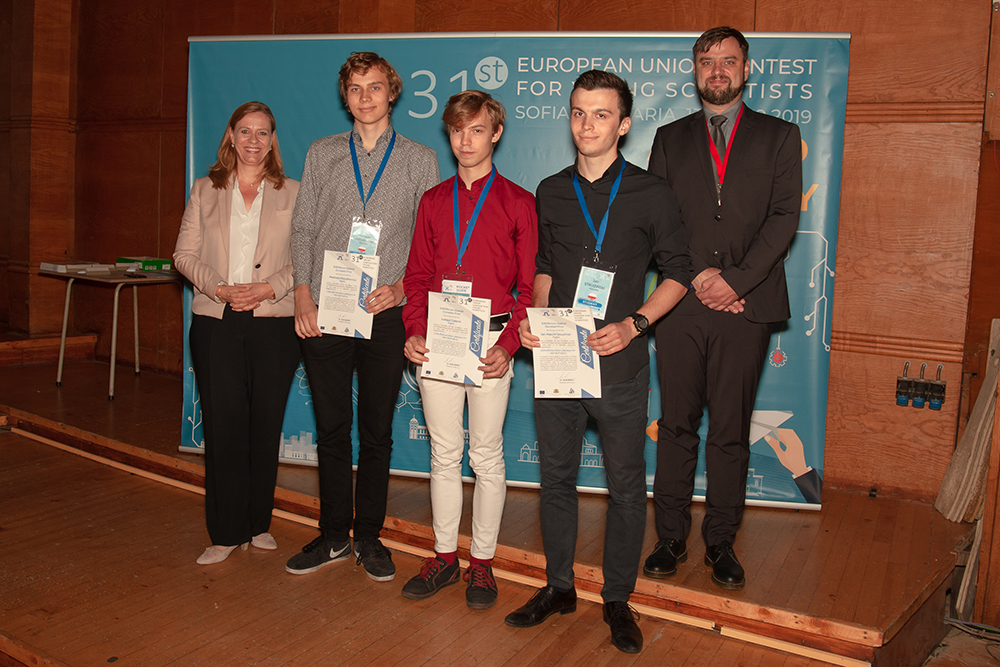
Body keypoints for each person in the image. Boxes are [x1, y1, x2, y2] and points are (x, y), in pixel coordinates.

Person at [504, 71, 691, 654]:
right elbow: (544, 265)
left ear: (624, 124)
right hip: (558, 358)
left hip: (620, 363)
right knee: (556, 480)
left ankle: (617, 598)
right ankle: (560, 587)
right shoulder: (550, 189)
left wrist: (635, 324)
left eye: (601, 114)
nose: (588, 125)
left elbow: (680, 273)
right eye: (579, 113)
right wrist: (535, 314)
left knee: (626, 487)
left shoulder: (652, 193)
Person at [644, 26, 802, 591]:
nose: (717, 70)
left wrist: (734, 282)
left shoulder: (780, 136)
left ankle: (720, 542)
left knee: (730, 432)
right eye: (707, 61)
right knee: (678, 426)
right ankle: (668, 538)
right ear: (694, 70)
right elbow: (660, 218)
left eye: (728, 61)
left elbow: (784, 219)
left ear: (745, 69)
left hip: (748, 304)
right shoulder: (669, 137)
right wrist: (699, 278)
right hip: (682, 302)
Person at [286, 52, 439, 582]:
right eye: (356, 89)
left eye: (376, 87)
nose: (366, 97)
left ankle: (369, 536)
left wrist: (400, 288)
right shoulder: (322, 153)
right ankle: (332, 535)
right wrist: (302, 294)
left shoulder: (420, 159)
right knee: (331, 429)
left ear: (392, 92)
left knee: (377, 432)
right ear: (345, 96)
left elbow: (428, 242)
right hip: (326, 308)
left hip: (385, 313)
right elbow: (303, 229)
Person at [400, 91, 537, 610]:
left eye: (477, 129)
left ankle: (482, 564)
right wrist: (414, 329)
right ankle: (443, 556)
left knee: (486, 454)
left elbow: (528, 290)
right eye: (458, 130)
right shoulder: (433, 201)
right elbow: (415, 278)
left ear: (495, 134)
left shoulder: (520, 202)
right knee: (443, 454)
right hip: (439, 343)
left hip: (490, 348)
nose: (465, 139)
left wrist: (507, 346)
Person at [173, 101, 301, 565]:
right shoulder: (206, 189)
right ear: (230, 136)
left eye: (263, 132)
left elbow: (306, 258)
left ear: (272, 139)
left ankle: (257, 524)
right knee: (225, 428)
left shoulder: (294, 192)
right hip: (216, 322)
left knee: (265, 426)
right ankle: (225, 532)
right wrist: (221, 288)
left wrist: (268, 287)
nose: (253, 140)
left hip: (274, 322)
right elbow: (183, 256)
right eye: (244, 131)